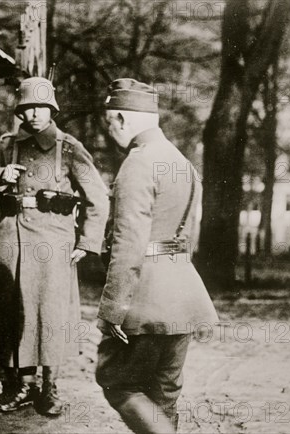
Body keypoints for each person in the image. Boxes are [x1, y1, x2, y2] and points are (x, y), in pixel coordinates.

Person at [0, 77, 109, 416]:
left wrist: (89, 242)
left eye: (41, 107)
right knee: (11, 314)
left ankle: (49, 388)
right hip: (12, 240)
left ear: (52, 109)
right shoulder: (6, 145)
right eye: (28, 107)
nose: (34, 114)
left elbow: (98, 198)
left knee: (51, 315)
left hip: (53, 240)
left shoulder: (69, 147)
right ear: (20, 110)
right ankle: (17, 385)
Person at [96, 78, 219, 433]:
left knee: (117, 382)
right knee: (163, 393)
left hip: (145, 297)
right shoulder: (182, 163)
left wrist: (113, 309)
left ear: (120, 119)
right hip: (183, 292)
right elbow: (189, 234)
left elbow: (128, 243)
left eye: (109, 122)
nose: (110, 130)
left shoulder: (138, 163)